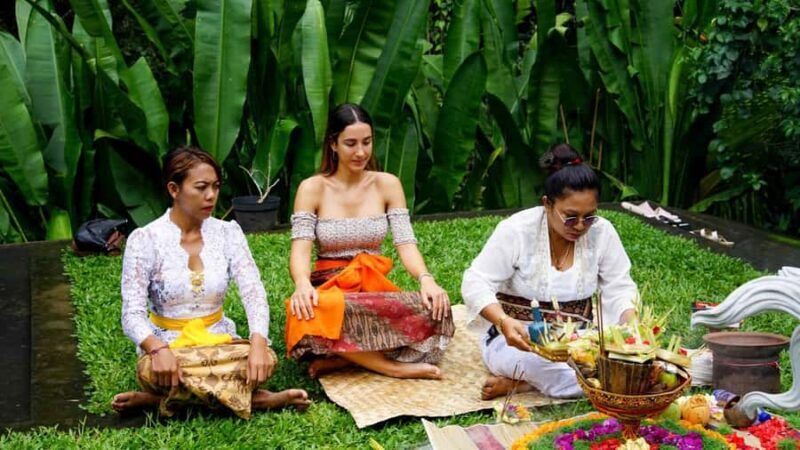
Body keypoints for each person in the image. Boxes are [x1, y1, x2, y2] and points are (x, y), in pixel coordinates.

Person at [112, 146, 310, 418]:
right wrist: (157, 350)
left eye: (216, 187)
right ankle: (257, 399)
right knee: (152, 370)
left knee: (265, 360)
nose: (211, 196)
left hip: (220, 342)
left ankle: (161, 399)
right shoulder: (145, 240)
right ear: (174, 189)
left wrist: (258, 343)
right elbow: (131, 313)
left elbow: (254, 294)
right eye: (201, 187)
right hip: (170, 346)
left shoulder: (228, 233)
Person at [287, 103, 455, 380]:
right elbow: (301, 250)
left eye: (367, 142)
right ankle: (392, 366)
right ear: (333, 144)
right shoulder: (312, 188)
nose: (361, 152)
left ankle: (348, 359)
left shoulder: (387, 184)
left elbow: (405, 242)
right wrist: (302, 285)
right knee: (308, 311)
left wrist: (426, 279)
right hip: (332, 290)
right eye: (350, 144)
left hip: (372, 288)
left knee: (437, 309)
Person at [461, 144, 638, 400]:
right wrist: (503, 321)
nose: (580, 226)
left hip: (580, 341)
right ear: (547, 204)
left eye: (589, 217)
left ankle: (525, 384)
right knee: (586, 375)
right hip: (517, 342)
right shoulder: (517, 230)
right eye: (570, 216)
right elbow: (476, 281)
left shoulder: (602, 232)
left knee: (631, 363)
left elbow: (619, 285)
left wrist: (631, 326)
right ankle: (544, 379)